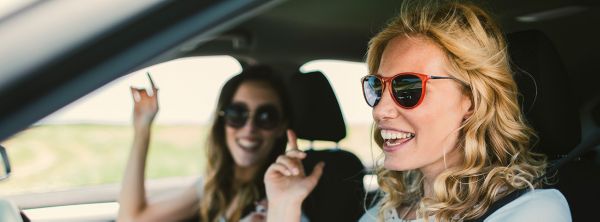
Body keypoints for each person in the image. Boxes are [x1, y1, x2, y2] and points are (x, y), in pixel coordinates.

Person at [264, 1, 571, 222]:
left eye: (408, 89)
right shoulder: (386, 211)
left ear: (472, 101)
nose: (381, 109)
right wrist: (284, 208)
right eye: (377, 87)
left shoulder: (532, 212)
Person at [118, 66, 293, 222]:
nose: (249, 128)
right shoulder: (215, 183)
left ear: (281, 127)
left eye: (266, 117)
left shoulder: (286, 193)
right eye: (237, 113)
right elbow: (132, 218)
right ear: (223, 120)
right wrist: (142, 129)